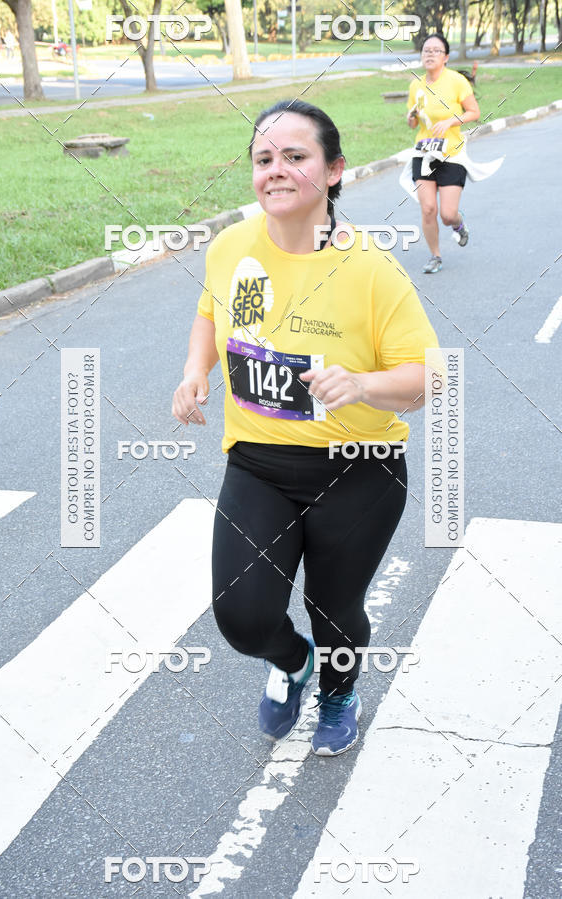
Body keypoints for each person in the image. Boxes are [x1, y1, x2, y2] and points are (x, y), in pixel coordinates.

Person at [172, 99, 440, 756]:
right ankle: (294, 664)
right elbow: (211, 310)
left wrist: (363, 384)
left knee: (334, 608)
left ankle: (339, 690)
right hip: (259, 463)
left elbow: (428, 378)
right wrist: (194, 370)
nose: (277, 170)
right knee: (242, 615)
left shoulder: (371, 269)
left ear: (334, 170)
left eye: (296, 156)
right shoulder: (233, 246)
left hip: (359, 468)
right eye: (265, 159)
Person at [401, 34, 500, 274]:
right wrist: (411, 117)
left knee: (446, 214)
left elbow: (474, 112)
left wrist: (451, 121)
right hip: (424, 154)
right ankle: (435, 256)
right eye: (426, 50)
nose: (430, 54)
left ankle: (458, 224)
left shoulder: (456, 82)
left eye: (436, 51)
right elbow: (413, 124)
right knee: (427, 209)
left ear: (445, 57)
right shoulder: (416, 85)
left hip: (452, 155)